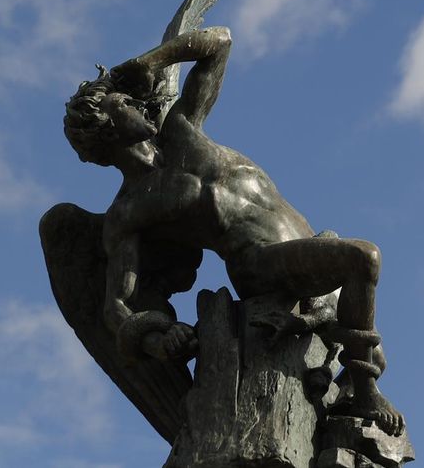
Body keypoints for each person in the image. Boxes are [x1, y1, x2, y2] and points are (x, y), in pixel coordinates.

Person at [63, 25, 403, 435]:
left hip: (307, 243)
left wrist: (149, 61)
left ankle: (351, 391)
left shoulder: (182, 129)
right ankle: (366, 393)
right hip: (260, 263)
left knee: (362, 341)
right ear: (106, 126)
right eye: (123, 103)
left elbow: (220, 41)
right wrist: (159, 337)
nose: (137, 103)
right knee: (363, 258)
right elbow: (116, 307)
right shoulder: (129, 211)